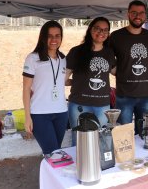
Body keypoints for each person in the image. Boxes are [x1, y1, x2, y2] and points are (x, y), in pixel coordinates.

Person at [65, 17, 116, 146]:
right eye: (97, 28)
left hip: (102, 105)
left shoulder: (109, 53)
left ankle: (99, 165)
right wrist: (76, 82)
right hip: (79, 104)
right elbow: (63, 79)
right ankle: (80, 165)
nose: (101, 32)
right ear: (90, 29)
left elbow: (116, 72)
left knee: (103, 141)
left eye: (105, 30)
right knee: (79, 142)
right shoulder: (76, 52)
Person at [22, 21, 68, 155]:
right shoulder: (33, 58)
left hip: (61, 112)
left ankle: (49, 175)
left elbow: (60, 82)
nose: (54, 39)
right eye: (49, 36)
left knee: (55, 152)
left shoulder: (63, 58)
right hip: (40, 114)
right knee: (52, 153)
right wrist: (27, 117)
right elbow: (26, 89)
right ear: (43, 37)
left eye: (57, 36)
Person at [109, 0, 148, 133]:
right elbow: (107, 58)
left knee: (146, 133)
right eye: (134, 13)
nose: (137, 16)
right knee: (124, 135)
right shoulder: (116, 36)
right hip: (124, 96)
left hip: (145, 96)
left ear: (145, 15)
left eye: (141, 13)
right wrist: (119, 71)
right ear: (128, 14)